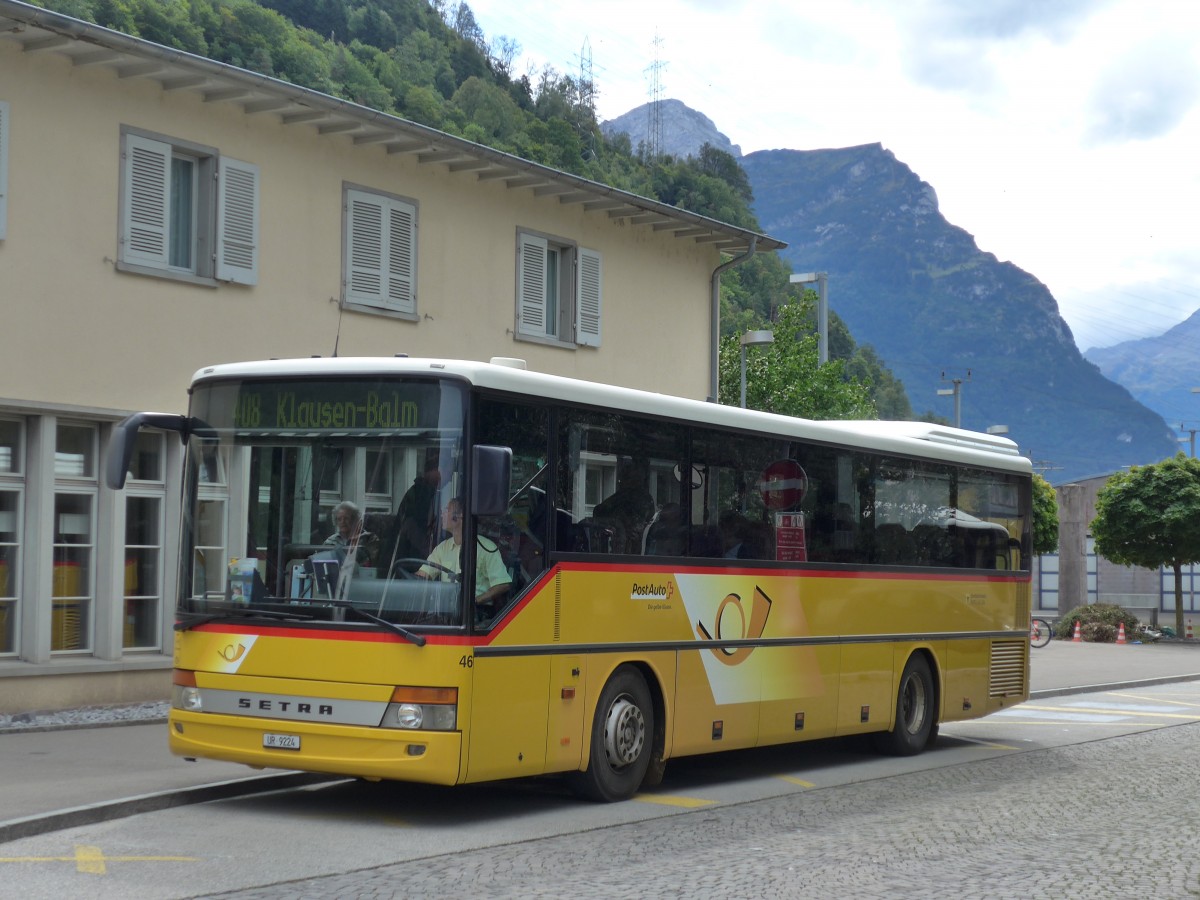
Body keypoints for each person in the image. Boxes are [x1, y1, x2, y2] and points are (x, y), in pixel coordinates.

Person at [418, 497, 512, 609]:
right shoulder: (442, 548)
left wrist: (475, 601)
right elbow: (423, 575)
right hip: (447, 613)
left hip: (476, 614)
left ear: (460, 515)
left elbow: (503, 584)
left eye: (447, 510)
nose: (442, 514)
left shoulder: (486, 548)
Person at [592, 456, 655, 554]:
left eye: (637, 480)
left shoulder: (645, 499)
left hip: (638, 547)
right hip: (619, 546)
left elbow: (647, 522)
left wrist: (638, 532)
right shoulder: (619, 498)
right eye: (630, 480)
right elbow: (598, 512)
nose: (634, 484)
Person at [391, 456, 442, 560]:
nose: (442, 476)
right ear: (431, 471)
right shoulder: (421, 493)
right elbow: (411, 527)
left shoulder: (432, 492)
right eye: (441, 471)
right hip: (411, 553)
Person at [323, 501, 377, 566]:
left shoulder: (369, 538)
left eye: (346, 518)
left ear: (356, 519)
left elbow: (374, 563)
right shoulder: (330, 541)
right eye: (339, 519)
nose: (342, 522)